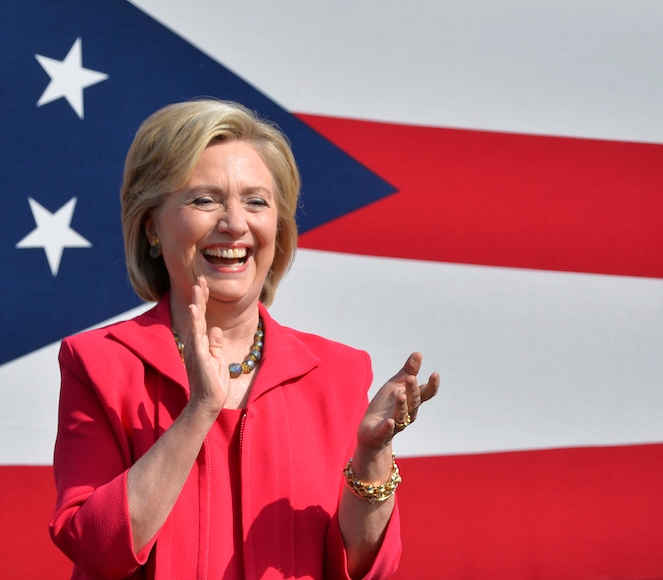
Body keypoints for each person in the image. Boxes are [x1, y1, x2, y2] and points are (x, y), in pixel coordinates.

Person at [49, 99, 440, 580]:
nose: (235, 223)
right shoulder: (99, 364)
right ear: (152, 226)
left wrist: (372, 456)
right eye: (204, 200)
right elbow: (97, 549)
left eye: (256, 201)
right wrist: (198, 413)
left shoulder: (338, 373)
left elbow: (363, 568)